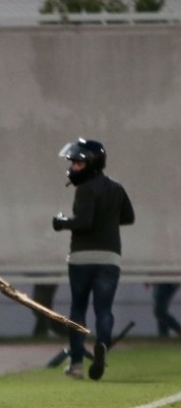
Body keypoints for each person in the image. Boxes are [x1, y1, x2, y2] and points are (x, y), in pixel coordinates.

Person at [53, 138, 134, 381]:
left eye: (78, 163)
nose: (74, 167)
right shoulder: (117, 188)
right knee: (104, 310)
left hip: (82, 257)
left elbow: (84, 223)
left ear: (91, 164)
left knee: (78, 309)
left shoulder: (85, 189)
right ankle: (102, 346)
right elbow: (128, 217)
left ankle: (76, 364)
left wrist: (62, 222)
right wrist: (107, 222)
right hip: (110, 257)